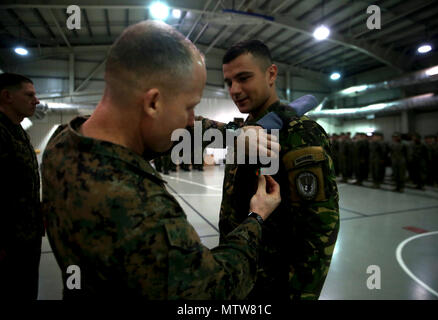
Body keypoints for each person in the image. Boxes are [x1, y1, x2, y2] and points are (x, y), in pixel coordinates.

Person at [41, 21, 281, 300]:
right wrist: (256, 217)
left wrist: (232, 135)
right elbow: (212, 290)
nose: (191, 118)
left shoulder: (62, 144)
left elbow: (175, 132)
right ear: (153, 103)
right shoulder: (142, 210)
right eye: (189, 107)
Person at [218, 40, 339, 300]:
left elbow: (319, 229)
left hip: (272, 285)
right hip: (240, 275)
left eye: (243, 78)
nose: (235, 90)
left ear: (271, 74)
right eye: (229, 82)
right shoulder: (246, 131)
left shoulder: (300, 133)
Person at [0, 73, 43, 300]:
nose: (36, 100)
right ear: (7, 96)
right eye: (29, 95)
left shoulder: (18, 132)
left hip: (26, 239)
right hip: (8, 244)